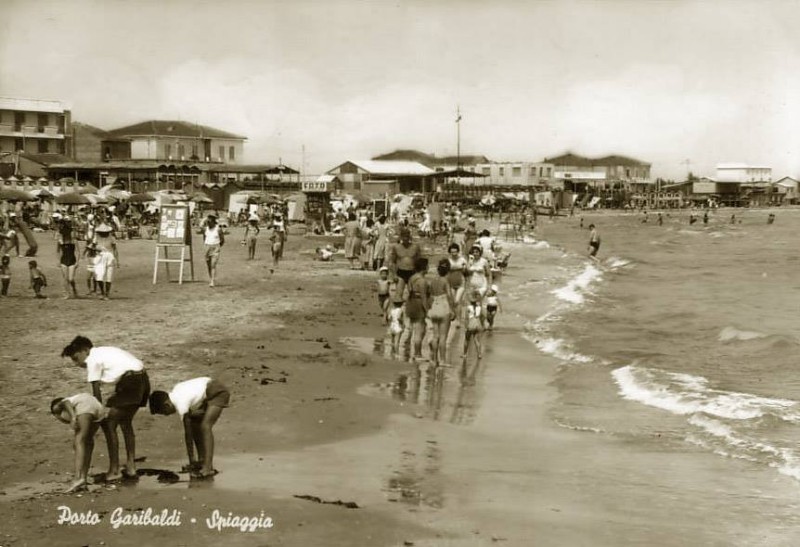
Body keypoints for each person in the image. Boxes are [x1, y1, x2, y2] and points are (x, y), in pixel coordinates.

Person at [61, 336, 150, 482]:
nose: (77, 364)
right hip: (143, 379)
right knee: (125, 422)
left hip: (130, 381)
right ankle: (131, 466)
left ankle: (114, 470)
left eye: (77, 359)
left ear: (85, 351)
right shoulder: (104, 351)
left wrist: (99, 413)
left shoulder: (92, 359)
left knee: (109, 423)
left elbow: (96, 393)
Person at [149, 377, 230, 480]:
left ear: (167, 405)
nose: (167, 415)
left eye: (164, 413)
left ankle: (208, 468)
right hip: (208, 391)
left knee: (205, 426)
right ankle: (202, 460)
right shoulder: (176, 392)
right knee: (195, 423)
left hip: (217, 391)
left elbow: (188, 434)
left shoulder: (180, 403)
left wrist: (191, 460)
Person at [50, 393, 107, 493]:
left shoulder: (67, 401)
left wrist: (72, 417)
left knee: (79, 441)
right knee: (88, 441)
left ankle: (78, 477)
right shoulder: (76, 400)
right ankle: (83, 478)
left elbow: (65, 402)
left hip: (85, 406)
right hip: (99, 408)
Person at [399, 257, 430, 362]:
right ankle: (417, 354)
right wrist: (427, 310)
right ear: (424, 267)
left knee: (413, 329)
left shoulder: (412, 277)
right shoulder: (422, 281)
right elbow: (424, 297)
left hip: (411, 302)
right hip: (418, 304)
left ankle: (410, 350)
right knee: (419, 330)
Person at [427, 258, 456, 367]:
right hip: (444, 306)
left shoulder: (433, 281)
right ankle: (442, 360)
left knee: (435, 336)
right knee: (443, 337)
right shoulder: (445, 281)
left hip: (434, 306)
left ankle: (434, 360)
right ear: (448, 270)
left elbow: (430, 295)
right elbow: (449, 296)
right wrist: (453, 309)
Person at [387, 227, 422, 301]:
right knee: (398, 295)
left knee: (414, 296)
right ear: (401, 237)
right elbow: (392, 262)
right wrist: (394, 275)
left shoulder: (415, 247)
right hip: (401, 272)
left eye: (407, 237)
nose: (405, 239)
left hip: (412, 272)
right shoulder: (396, 247)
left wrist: (420, 275)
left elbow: (420, 262)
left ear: (409, 237)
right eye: (404, 237)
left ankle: (411, 311)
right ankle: (398, 311)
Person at [57, 217, 79, 299]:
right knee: (65, 278)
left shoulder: (73, 241)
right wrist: (58, 261)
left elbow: (77, 251)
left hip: (72, 260)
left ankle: (74, 289)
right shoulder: (60, 241)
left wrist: (77, 261)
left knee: (71, 279)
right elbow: (58, 251)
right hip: (63, 260)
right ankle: (66, 294)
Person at [200, 213, 225, 287]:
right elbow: (203, 234)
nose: (208, 223)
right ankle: (211, 278)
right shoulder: (206, 229)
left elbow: (222, 240)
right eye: (207, 222)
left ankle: (212, 281)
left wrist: (217, 247)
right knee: (208, 265)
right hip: (207, 247)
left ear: (214, 221)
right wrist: (205, 218)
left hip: (215, 248)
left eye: (210, 221)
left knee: (213, 264)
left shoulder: (218, 229)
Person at [462, 288, 485, 365]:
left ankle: (465, 354)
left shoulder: (468, 308)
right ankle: (479, 354)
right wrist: (482, 325)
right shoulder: (479, 307)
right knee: (476, 340)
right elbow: (482, 316)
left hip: (471, 323)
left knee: (467, 340)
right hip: (478, 323)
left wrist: (465, 327)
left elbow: (466, 318)